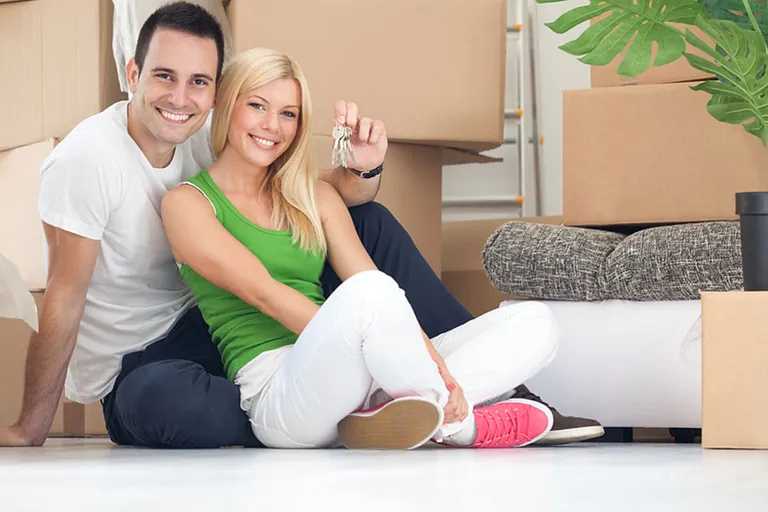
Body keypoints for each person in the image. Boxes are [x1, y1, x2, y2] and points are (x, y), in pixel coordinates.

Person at [0, 1, 602, 448]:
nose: (179, 96)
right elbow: (65, 295)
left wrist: (362, 169)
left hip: (218, 328)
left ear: (214, 95)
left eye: (198, 82)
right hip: (150, 358)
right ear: (132, 74)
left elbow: (315, 195)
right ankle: (441, 413)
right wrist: (32, 425)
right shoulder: (95, 162)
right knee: (186, 407)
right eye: (164, 76)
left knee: (384, 231)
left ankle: (437, 404)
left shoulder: (198, 135)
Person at [161, 46, 563, 449]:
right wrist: (383, 352)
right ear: (228, 106)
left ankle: (408, 410)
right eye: (257, 106)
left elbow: (376, 287)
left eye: (288, 114)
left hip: (367, 376)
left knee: (535, 322)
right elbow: (266, 295)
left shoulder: (313, 196)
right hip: (280, 395)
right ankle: (462, 426)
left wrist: (433, 363)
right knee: (370, 293)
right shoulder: (188, 204)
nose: (272, 125)